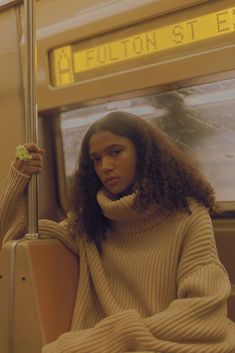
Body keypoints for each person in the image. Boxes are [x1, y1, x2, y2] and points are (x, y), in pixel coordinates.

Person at [0, 111, 235, 353]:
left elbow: (204, 306)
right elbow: (10, 245)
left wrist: (118, 335)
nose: (105, 167)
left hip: (161, 340)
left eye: (115, 152)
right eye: (96, 159)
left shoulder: (187, 213)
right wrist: (17, 178)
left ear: (143, 153)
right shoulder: (89, 223)